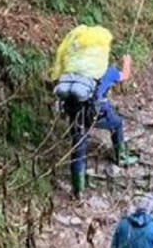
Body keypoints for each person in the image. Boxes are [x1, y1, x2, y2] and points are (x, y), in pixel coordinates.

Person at [57, 52, 138, 199]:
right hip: (97, 115)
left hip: (77, 115)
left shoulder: (78, 72)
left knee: (78, 151)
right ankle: (121, 156)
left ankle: (78, 191)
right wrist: (127, 61)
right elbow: (125, 75)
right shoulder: (108, 71)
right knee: (117, 123)